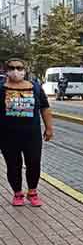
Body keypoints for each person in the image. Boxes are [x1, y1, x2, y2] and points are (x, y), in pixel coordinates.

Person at [0, 58, 53, 207]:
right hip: (7, 136)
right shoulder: (1, 88)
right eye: (12, 68)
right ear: (6, 70)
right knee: (13, 165)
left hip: (32, 135)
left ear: (25, 70)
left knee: (34, 163)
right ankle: (17, 193)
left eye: (19, 68)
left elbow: (45, 108)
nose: (15, 71)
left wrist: (49, 128)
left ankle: (32, 192)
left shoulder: (35, 87)